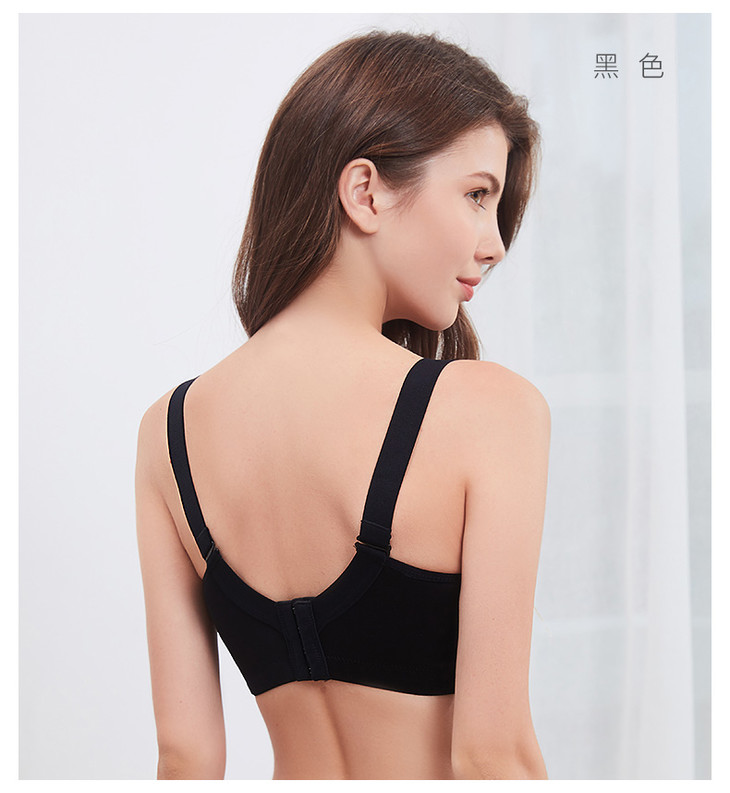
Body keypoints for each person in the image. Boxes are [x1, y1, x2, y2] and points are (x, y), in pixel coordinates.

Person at [135, 30, 550, 780]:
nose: (494, 243)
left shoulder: (168, 430)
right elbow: (494, 753)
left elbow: (186, 756)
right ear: (365, 192)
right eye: (477, 194)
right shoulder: (486, 411)